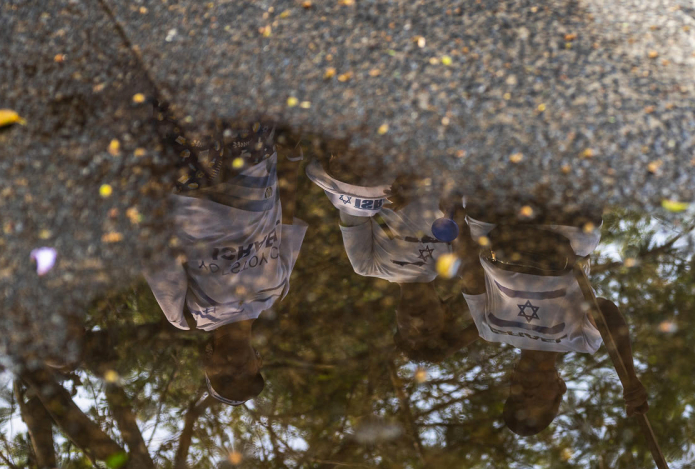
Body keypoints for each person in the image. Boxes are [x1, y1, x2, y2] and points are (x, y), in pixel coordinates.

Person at [143, 107, 307, 405]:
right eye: (246, 375)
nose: (235, 369)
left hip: (192, 185)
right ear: (259, 362)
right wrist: (292, 161)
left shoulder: (187, 317)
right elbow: (289, 220)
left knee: (182, 99)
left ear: (207, 365)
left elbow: (155, 250)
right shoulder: (277, 292)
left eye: (225, 377)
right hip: (256, 170)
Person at [455, 198, 648, 436]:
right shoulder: (583, 341)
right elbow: (605, 311)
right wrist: (629, 377)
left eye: (519, 399)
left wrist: (454, 212)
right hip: (568, 222)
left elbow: (469, 269)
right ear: (560, 389)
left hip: (495, 218)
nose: (528, 394)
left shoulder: (488, 330)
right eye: (536, 402)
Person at [306, 157, 475, 362]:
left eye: (407, 329)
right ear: (446, 313)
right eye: (428, 328)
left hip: (378, 165)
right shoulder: (454, 263)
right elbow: (457, 200)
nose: (416, 320)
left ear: (396, 318)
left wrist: (392, 186)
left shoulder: (367, 265)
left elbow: (347, 200)